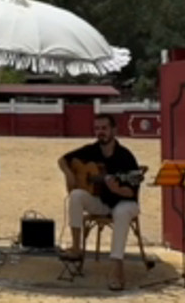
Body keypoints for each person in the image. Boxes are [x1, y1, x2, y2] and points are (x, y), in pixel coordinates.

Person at [57, 114, 140, 291]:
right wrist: (70, 174)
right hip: (101, 201)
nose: (100, 132)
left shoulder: (125, 157)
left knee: (121, 213)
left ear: (114, 130)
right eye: (97, 129)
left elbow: (131, 191)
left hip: (124, 202)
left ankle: (116, 267)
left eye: (104, 128)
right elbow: (62, 160)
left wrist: (117, 189)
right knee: (76, 195)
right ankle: (76, 248)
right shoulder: (91, 150)